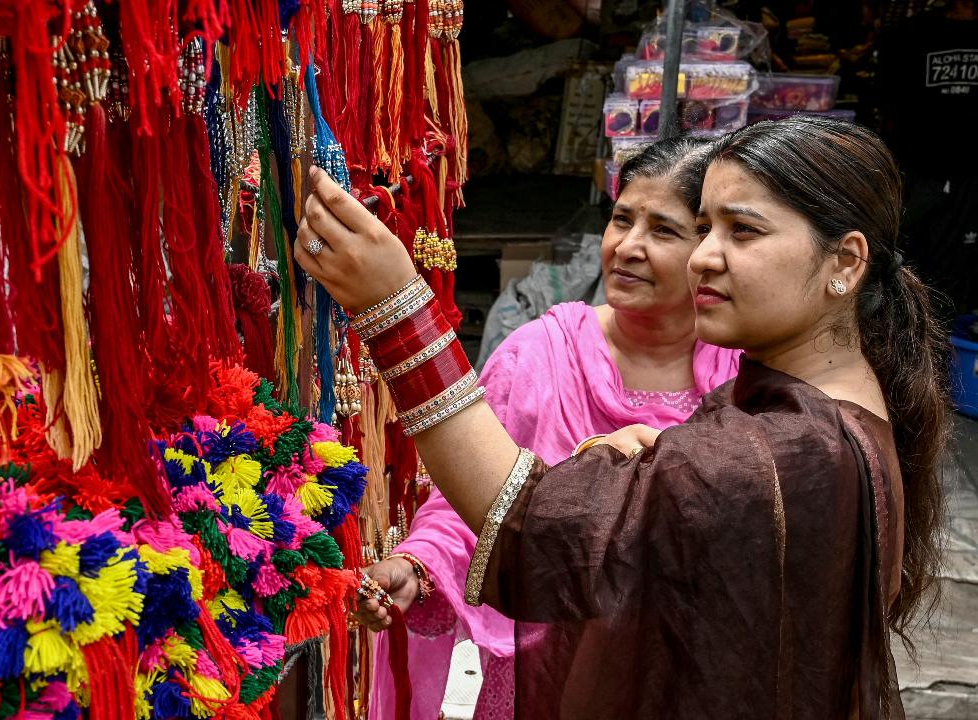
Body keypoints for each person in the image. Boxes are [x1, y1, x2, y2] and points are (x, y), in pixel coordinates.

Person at [296, 116, 949, 718]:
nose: (703, 257)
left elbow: (525, 523)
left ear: (844, 263)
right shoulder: (815, 409)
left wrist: (397, 307)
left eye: (740, 230)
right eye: (705, 228)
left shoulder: (774, 454)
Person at [358, 136, 740, 720]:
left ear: (711, 249)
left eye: (663, 231)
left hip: (687, 674)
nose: (627, 247)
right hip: (542, 682)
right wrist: (419, 566)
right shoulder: (540, 354)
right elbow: (473, 501)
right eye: (621, 219)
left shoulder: (740, 374)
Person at [877, 0, 978, 319]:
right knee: (909, 255)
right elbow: (888, 99)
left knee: (962, 266)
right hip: (919, 166)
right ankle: (909, 325)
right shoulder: (911, 33)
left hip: (971, 173)